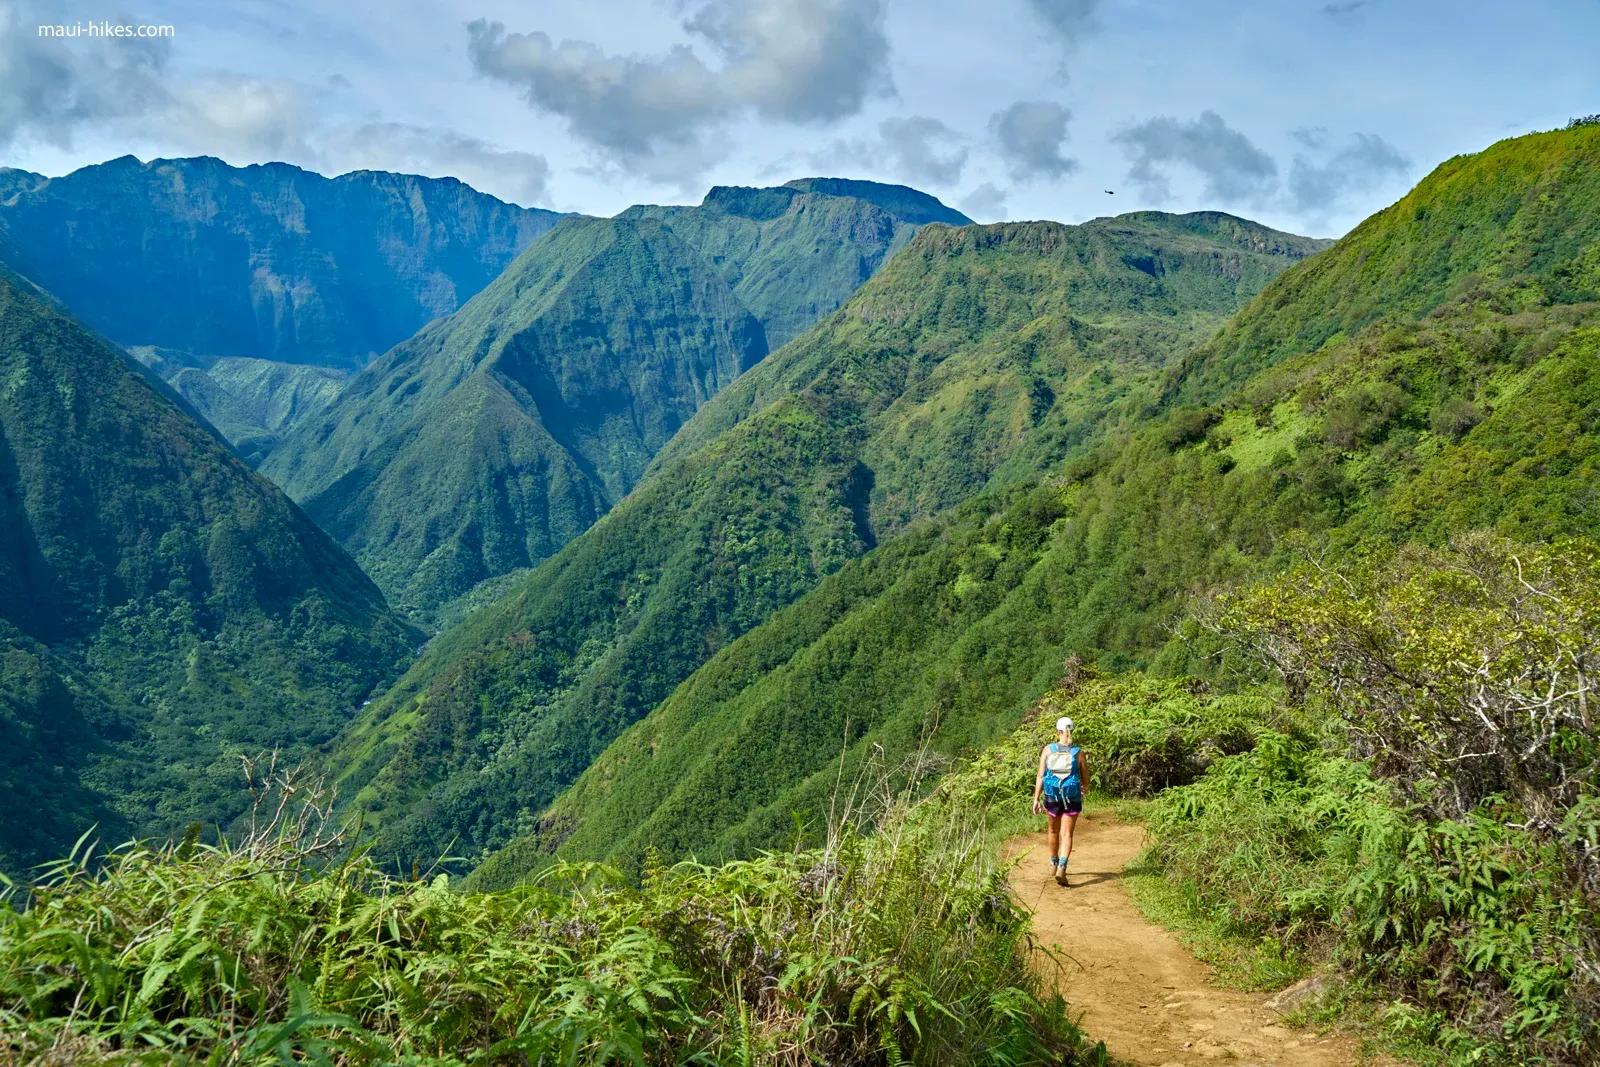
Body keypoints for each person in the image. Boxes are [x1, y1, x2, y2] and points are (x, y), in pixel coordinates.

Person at [1032, 716, 1087, 886]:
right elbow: (1086, 779)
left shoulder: (1048, 750)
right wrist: (1083, 789)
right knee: (1067, 834)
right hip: (1072, 797)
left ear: (1058, 732)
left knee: (1053, 831)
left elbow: (1041, 775)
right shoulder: (1078, 752)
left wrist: (1036, 798)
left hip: (1052, 796)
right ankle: (1062, 867)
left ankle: (1053, 863)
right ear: (1072, 731)